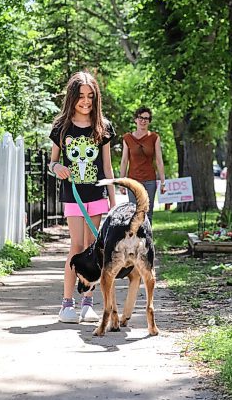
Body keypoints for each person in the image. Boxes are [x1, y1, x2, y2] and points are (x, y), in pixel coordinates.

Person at [49, 71, 116, 324]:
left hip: (97, 196)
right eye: (81, 96)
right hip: (73, 196)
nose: (86, 101)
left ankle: (88, 302)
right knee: (76, 247)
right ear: (72, 97)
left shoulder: (103, 127)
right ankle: (67, 304)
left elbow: (107, 168)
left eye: (90, 96)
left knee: (93, 248)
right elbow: (52, 162)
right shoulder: (61, 127)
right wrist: (57, 169)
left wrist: (113, 202)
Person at [119, 107, 166, 224]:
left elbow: (159, 161)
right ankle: (135, 240)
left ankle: (147, 240)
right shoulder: (127, 138)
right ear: (135, 119)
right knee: (134, 212)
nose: (143, 121)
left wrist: (163, 182)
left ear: (149, 121)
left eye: (146, 118)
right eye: (141, 118)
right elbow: (124, 161)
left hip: (149, 180)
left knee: (147, 212)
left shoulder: (154, 138)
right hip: (133, 180)